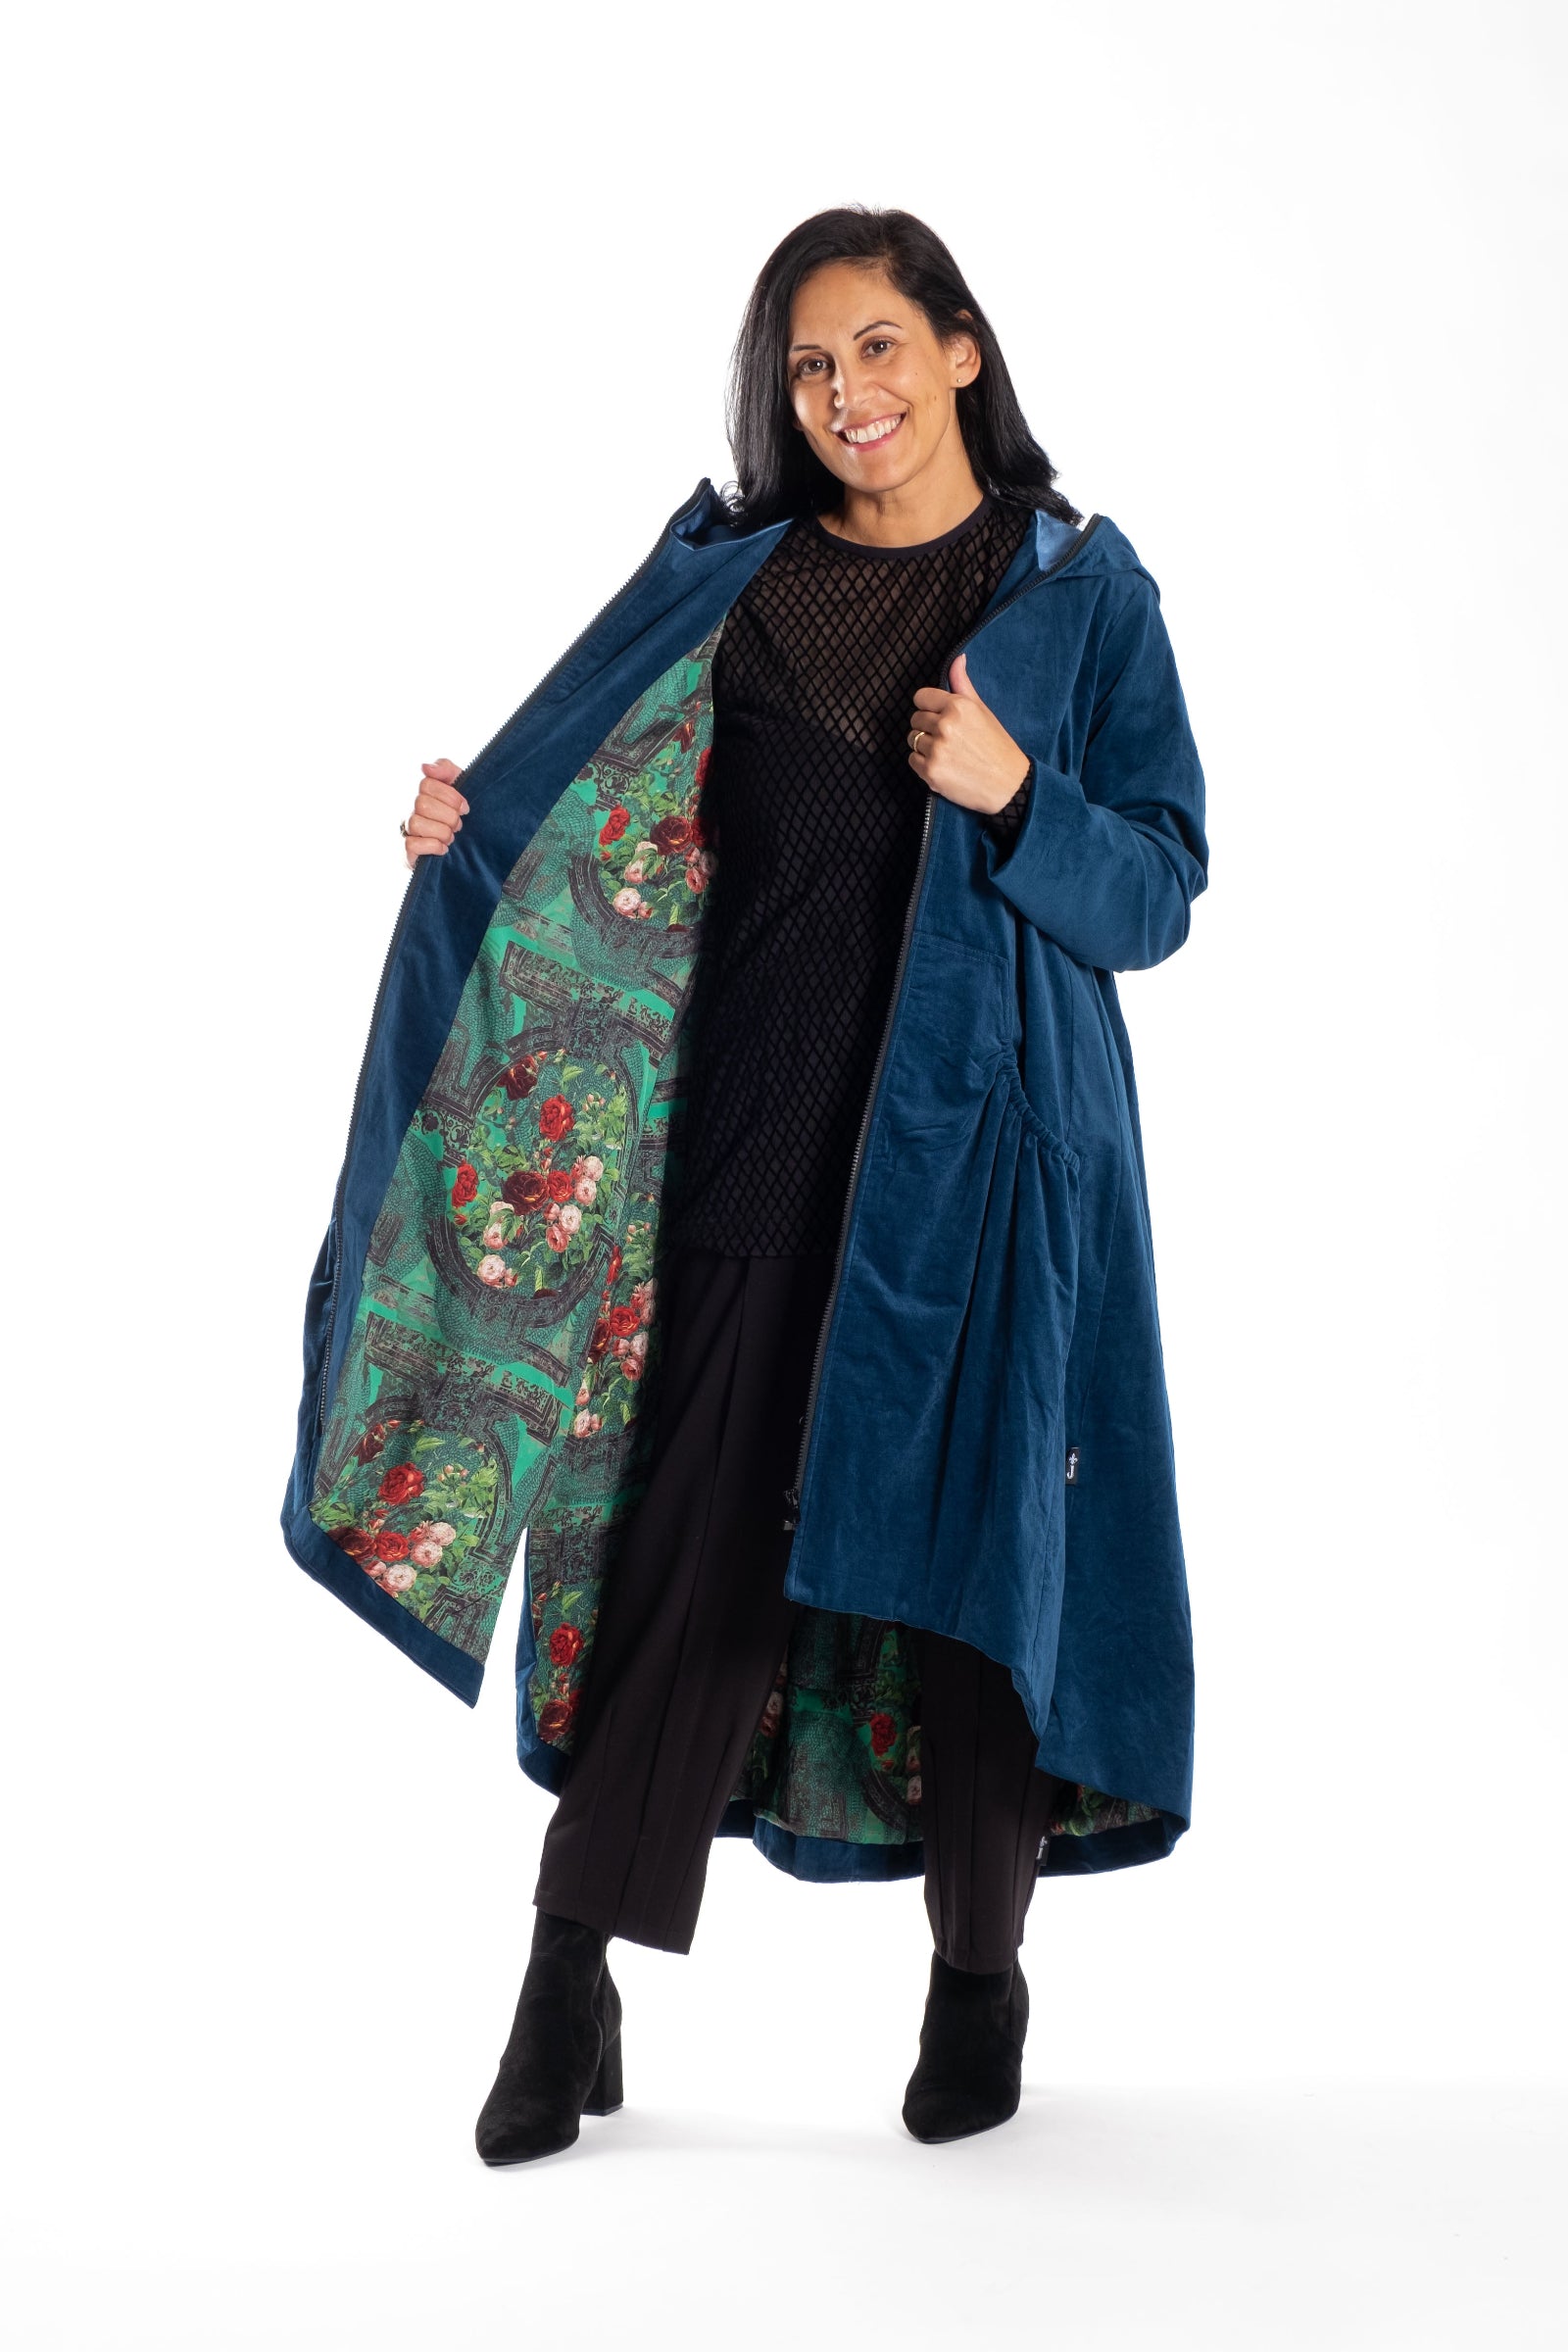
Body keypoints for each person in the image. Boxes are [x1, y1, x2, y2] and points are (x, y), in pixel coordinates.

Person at [300, 204, 1206, 2166]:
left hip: (978, 1181)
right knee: (681, 1572)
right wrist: (470, 835)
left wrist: (1017, 797)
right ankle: (568, 1979)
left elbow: (1156, 892)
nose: (846, 393)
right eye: (809, 365)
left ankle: (979, 1977)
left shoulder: (1079, 596)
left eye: (878, 346)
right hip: (748, 1151)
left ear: (959, 350)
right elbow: (581, 810)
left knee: (970, 1587)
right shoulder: (740, 582)